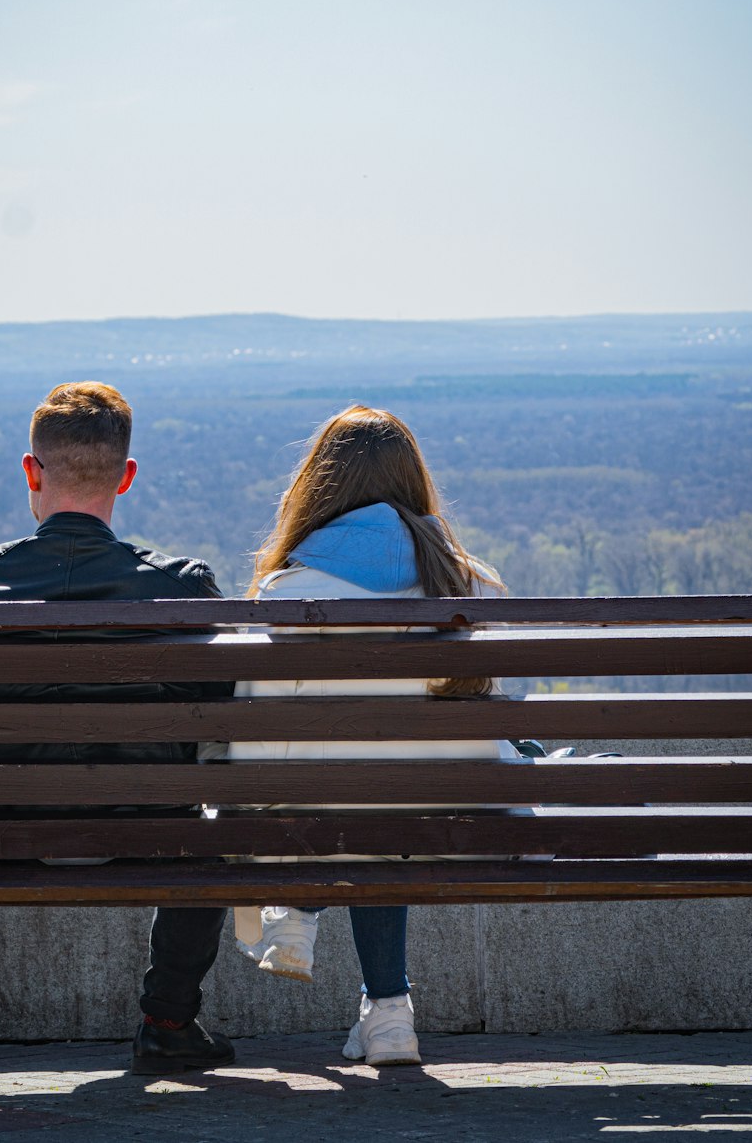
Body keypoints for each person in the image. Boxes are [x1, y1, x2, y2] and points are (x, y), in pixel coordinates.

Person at [0, 381, 235, 1076]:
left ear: (31, 471)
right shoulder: (183, 586)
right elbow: (222, 724)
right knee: (214, 833)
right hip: (152, 830)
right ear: (126, 477)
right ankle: (168, 1021)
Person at [230, 404, 517, 1066]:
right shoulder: (466, 581)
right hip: (442, 810)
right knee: (388, 807)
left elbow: (258, 735)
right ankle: (388, 1016)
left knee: (352, 798)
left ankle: (299, 906)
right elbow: (485, 714)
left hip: (323, 813)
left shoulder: (287, 591)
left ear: (318, 487)